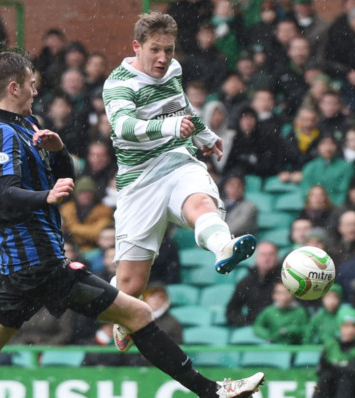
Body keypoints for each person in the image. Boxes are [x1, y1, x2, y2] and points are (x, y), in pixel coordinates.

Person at [0, 50, 264, 398]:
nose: (35, 91)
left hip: (23, 269)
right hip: (40, 264)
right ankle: (213, 391)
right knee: (139, 315)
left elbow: (64, 176)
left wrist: (59, 154)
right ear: (13, 87)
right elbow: (5, 195)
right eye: (30, 85)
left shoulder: (26, 125)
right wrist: (46, 196)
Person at [102, 11, 256, 352]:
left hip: (178, 163)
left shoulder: (173, 69)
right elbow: (124, 127)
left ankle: (223, 248)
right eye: (155, 50)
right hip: (140, 182)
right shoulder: (118, 84)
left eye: (169, 50)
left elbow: (180, 104)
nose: (162, 58)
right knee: (131, 284)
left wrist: (202, 133)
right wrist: (169, 127)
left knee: (201, 203)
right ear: (136, 47)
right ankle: (121, 313)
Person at [313, 307, 355, 398]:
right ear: (339, 326)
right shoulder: (330, 344)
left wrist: (334, 367)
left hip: (353, 389)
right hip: (331, 385)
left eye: (354, 326)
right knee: (324, 379)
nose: (350, 330)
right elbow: (320, 369)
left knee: (345, 381)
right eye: (346, 325)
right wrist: (341, 367)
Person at [226, 241, 281, 326]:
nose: (267, 258)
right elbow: (232, 310)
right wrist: (247, 323)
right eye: (263, 255)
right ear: (256, 258)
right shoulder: (247, 282)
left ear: (277, 257)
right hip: (253, 327)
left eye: (271, 254)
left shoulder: (284, 279)